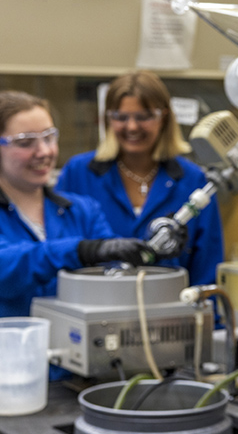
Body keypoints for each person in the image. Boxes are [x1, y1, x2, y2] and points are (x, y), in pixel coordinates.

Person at [56, 70, 224, 286]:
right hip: (93, 305)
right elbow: (59, 250)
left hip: (168, 311)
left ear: (163, 117)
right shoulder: (78, 173)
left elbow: (208, 267)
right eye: (121, 117)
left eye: (143, 117)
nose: (132, 127)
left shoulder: (192, 181)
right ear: (107, 119)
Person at [0, 91, 156, 317]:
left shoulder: (82, 212)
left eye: (49, 137)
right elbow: (8, 268)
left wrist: (152, 250)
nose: (44, 151)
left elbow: (117, 271)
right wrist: (81, 251)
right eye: (26, 143)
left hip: (76, 346)